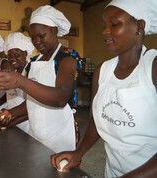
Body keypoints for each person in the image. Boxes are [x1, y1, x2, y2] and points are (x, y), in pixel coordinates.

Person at [51, 0, 157, 177]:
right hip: (113, 172)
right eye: (104, 25)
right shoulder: (103, 71)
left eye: (114, 24)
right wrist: (79, 152)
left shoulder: (152, 67)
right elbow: (96, 120)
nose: (105, 31)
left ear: (139, 25)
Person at [0, 5, 82, 153]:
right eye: (33, 37)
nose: (37, 42)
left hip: (60, 136)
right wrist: (12, 113)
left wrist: (20, 81)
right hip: (36, 134)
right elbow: (34, 101)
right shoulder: (34, 62)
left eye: (41, 36)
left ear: (54, 31)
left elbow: (61, 97)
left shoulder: (67, 57)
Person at [0, 32, 34, 134]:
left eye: (17, 55)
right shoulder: (12, 73)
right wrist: (3, 114)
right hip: (13, 122)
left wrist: (12, 121)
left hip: (28, 127)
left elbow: (33, 107)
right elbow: (12, 99)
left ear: (25, 53)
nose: (12, 59)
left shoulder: (31, 73)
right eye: (9, 56)